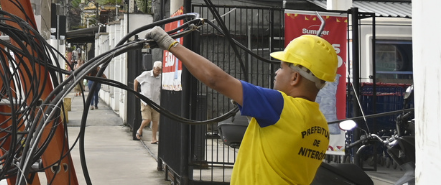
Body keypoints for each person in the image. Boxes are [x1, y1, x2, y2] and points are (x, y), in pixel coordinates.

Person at [144, 27, 338, 185]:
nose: (276, 73)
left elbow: (216, 79)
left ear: (295, 77)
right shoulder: (320, 126)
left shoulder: (278, 105)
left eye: (281, 68)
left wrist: (171, 45)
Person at [133, 61, 163, 143]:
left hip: (156, 101)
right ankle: (139, 130)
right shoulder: (146, 74)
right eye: (157, 70)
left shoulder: (161, 77)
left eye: (160, 70)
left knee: (155, 121)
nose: (158, 72)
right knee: (147, 119)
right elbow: (136, 80)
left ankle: (154, 138)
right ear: (153, 68)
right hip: (145, 100)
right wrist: (136, 92)